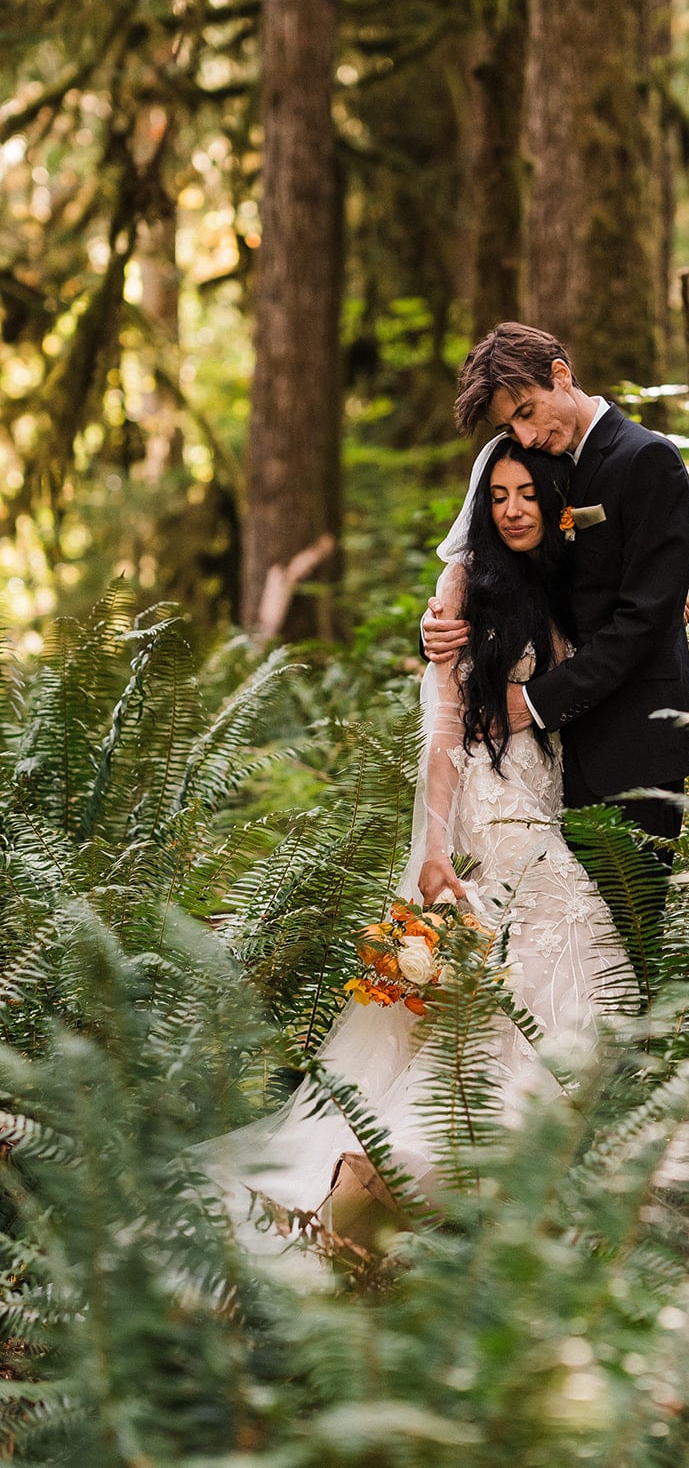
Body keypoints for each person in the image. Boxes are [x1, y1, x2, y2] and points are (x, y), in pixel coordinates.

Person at [195, 439, 634, 1259]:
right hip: (488, 805)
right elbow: (441, 726)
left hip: (546, 788)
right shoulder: (463, 583)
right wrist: (435, 845)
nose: (511, 508)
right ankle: (477, 1144)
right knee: (557, 926)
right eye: (497, 494)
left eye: (527, 493)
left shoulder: (563, 577)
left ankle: (564, 1141)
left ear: (551, 500)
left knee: (548, 957)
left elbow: (594, 665)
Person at [424, 321, 689, 845]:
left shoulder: (646, 459)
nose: (525, 436)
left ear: (561, 375)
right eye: (510, 427)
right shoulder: (539, 463)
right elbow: (509, 578)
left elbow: (644, 618)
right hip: (552, 761)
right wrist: (443, 624)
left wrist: (531, 702)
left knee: (625, 925)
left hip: (631, 745)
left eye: (526, 412)